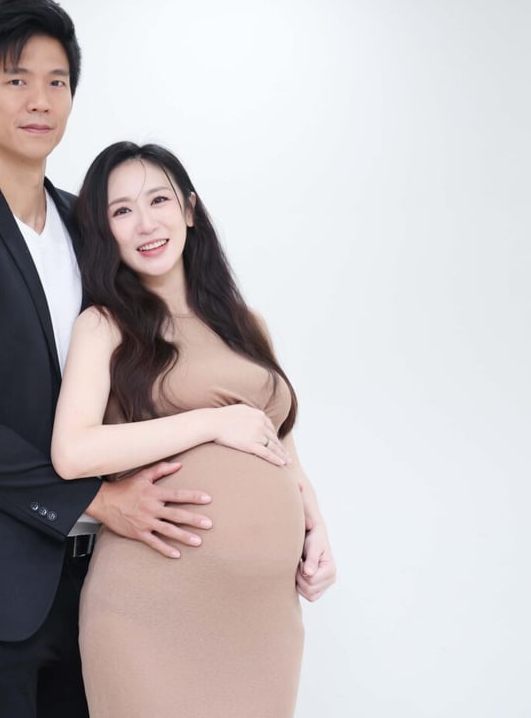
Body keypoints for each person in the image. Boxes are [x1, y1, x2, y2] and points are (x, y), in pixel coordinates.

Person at [0, 0, 215, 718]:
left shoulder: (88, 225)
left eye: (57, 81)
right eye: (17, 79)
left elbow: (163, 362)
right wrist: (97, 500)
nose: (40, 100)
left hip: (101, 581)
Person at [51, 142, 338, 717]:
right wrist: (211, 421)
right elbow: (73, 451)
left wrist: (315, 528)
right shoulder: (104, 325)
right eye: (122, 210)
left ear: (189, 208)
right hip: (153, 605)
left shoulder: (246, 325)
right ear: (105, 232)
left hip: (263, 617)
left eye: (158, 200)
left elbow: (276, 441)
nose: (146, 223)